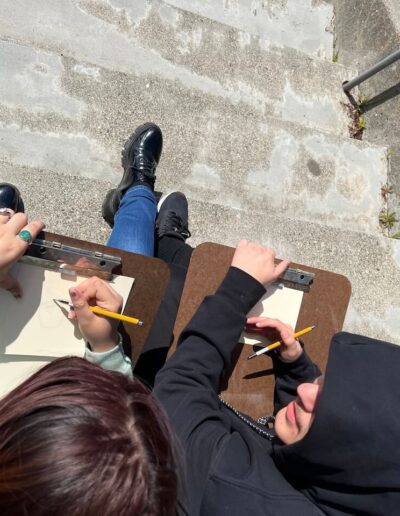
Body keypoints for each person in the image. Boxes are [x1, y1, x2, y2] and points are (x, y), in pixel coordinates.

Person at [153, 240, 400, 515]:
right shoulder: (366, 488)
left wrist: (238, 290)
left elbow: (175, 394)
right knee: (178, 267)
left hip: (152, 443)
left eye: (325, 413)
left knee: (168, 284)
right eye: (323, 383)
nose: (305, 390)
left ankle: (141, 205)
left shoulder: (241, 496)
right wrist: (294, 364)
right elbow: (319, 448)